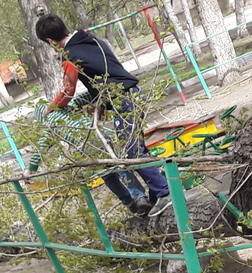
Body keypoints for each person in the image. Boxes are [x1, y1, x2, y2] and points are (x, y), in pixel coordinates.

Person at [34, 14, 171, 217]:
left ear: (50, 42)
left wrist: (50, 108)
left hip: (123, 101)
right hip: (129, 96)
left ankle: (166, 194)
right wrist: (100, 103)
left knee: (130, 153)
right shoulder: (92, 40)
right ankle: (158, 193)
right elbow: (104, 72)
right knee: (135, 148)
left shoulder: (70, 55)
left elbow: (67, 91)